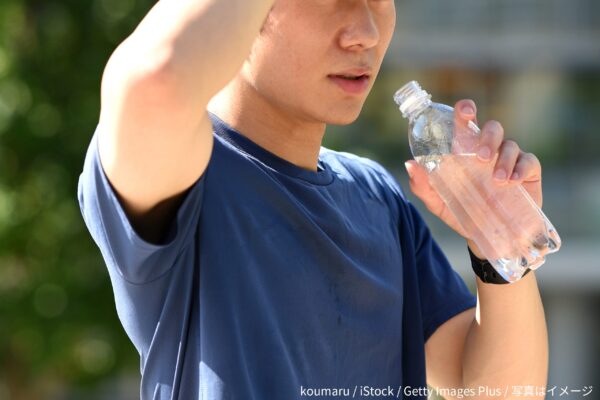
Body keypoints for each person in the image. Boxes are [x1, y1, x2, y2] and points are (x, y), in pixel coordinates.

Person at [77, 1, 549, 399]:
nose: (365, 33)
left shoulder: (377, 197)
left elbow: (499, 392)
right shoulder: (185, 171)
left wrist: (501, 252)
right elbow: (155, 81)